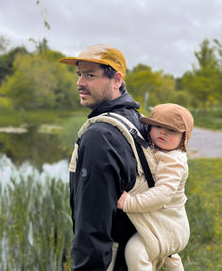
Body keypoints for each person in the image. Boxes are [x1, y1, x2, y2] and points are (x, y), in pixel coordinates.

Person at [59, 44, 147, 271]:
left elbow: (93, 228)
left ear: (117, 80)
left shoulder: (99, 137)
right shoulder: (137, 120)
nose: (80, 83)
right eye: (79, 75)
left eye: (90, 75)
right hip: (136, 255)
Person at [117, 103, 194, 271]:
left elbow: (163, 194)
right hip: (169, 226)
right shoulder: (159, 151)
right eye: (158, 126)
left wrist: (130, 203)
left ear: (184, 138)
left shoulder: (174, 160)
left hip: (168, 226)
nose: (163, 132)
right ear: (149, 127)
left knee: (136, 251)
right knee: (169, 256)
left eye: (172, 130)